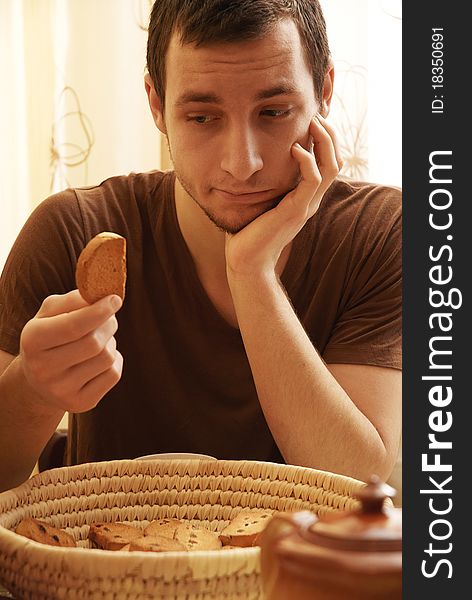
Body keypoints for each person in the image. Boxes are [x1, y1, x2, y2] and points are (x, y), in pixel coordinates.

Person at [0, 0, 401, 493]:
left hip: (300, 568)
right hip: (107, 564)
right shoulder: (75, 229)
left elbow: (354, 481)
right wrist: (34, 394)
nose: (242, 163)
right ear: (156, 104)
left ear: (324, 92)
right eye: (203, 118)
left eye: (274, 112)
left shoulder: (381, 232)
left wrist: (252, 271)